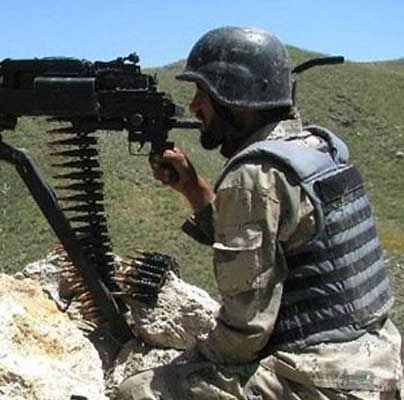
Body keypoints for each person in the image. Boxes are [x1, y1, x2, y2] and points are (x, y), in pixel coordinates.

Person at [117, 26, 402, 400]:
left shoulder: (253, 177)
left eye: (203, 93)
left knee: (139, 391)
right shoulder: (320, 148)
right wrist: (192, 187)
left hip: (323, 380)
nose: (193, 106)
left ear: (234, 96)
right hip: (378, 359)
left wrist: (187, 360)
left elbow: (244, 334)